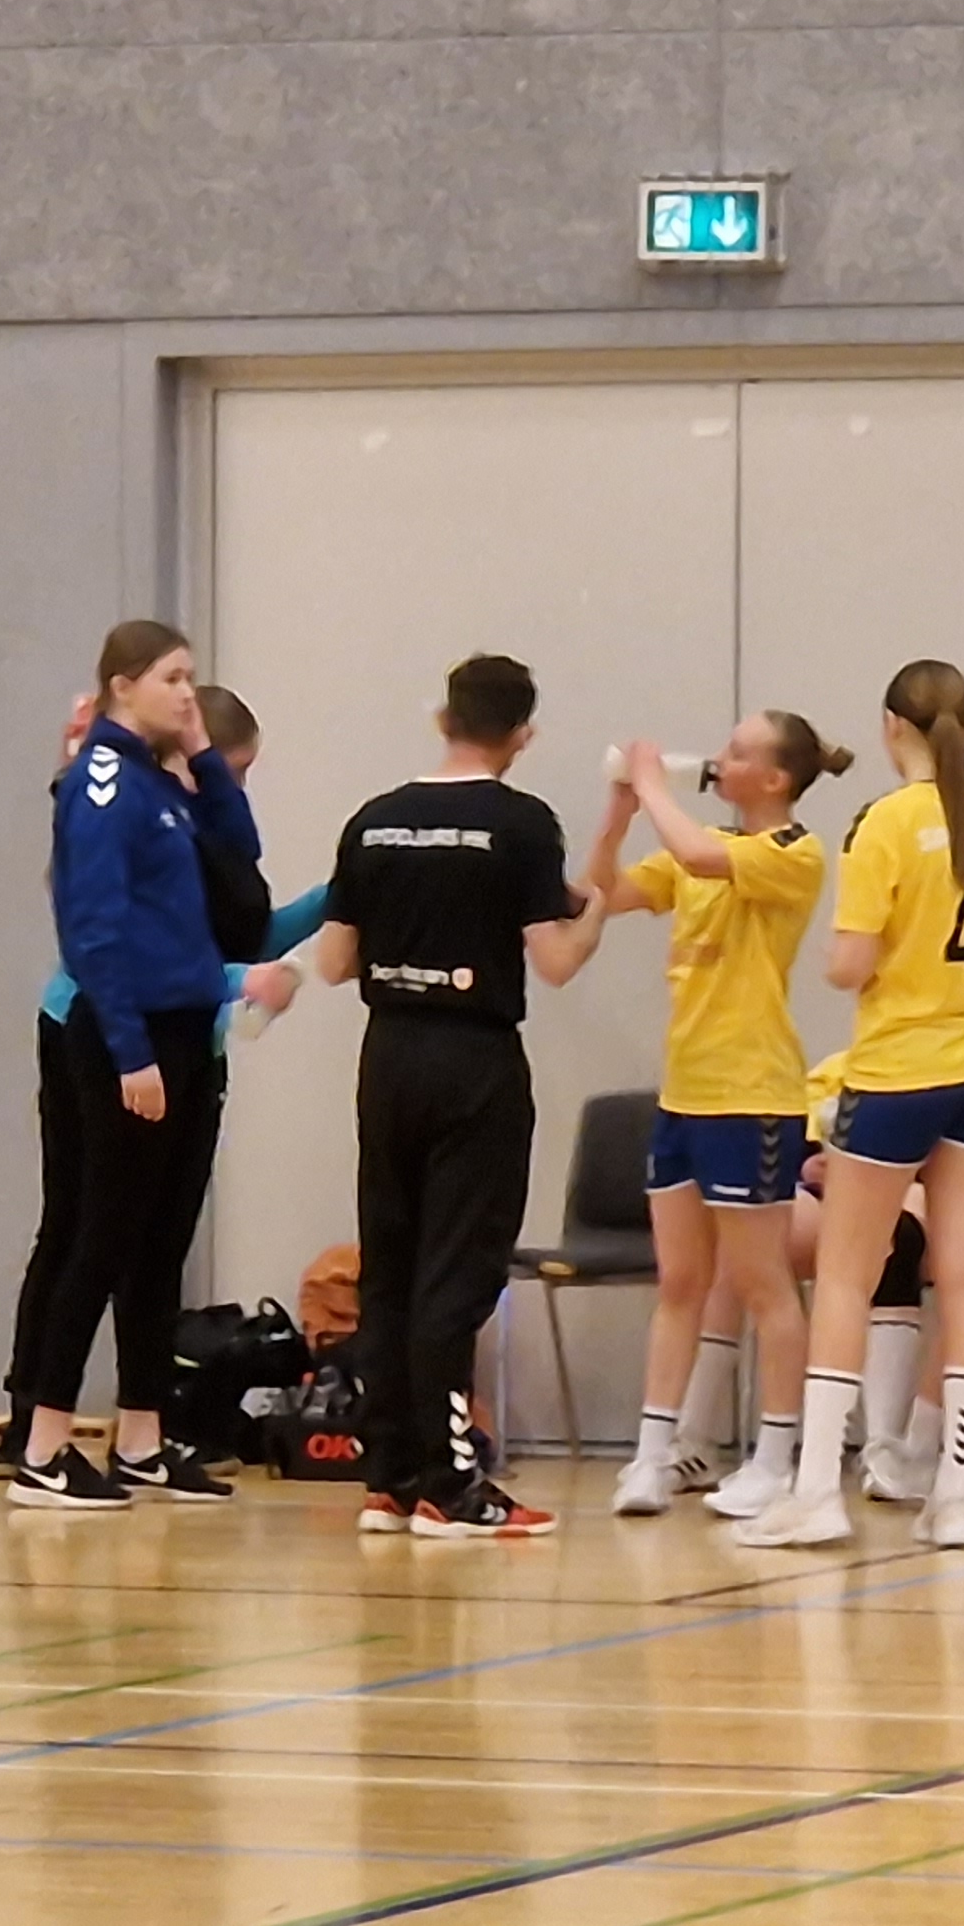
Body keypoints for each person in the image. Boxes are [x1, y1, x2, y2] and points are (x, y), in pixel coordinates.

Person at [738, 660, 964, 1552]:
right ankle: (953, 1497)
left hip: (896, 1072)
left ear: (890, 728)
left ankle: (816, 1492)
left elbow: (848, 965)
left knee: (846, 1274)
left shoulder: (883, 824)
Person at [313, 653, 609, 1539]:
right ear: (522, 735)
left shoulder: (373, 821)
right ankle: (453, 1485)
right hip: (473, 1060)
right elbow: (555, 961)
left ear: (444, 718)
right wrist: (594, 912)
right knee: (457, 1271)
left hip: (388, 1058)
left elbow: (333, 961)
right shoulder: (520, 824)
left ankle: (392, 1477)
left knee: (392, 1265)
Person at [0, 681, 307, 1479]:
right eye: (233, 770)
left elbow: (237, 930)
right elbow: (114, 941)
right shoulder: (128, 804)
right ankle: (36, 1430)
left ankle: (140, 1432)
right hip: (105, 1031)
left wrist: (336, 901)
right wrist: (229, 988)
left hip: (181, 1035)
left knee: (157, 1241)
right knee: (84, 1232)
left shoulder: (189, 825)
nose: (237, 787)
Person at [584, 719, 843, 1522]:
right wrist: (619, 815)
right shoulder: (699, 847)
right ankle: (651, 1457)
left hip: (751, 1096)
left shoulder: (792, 852)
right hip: (684, 1097)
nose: (720, 761)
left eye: (738, 752)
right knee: (680, 1282)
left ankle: (774, 1459)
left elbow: (700, 857)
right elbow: (599, 894)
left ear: (774, 779)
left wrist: (654, 784)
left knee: (763, 1284)